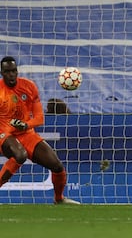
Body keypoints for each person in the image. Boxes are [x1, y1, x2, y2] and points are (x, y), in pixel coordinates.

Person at [0, 56, 79, 204]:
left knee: (57, 166)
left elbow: (39, 118)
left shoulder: (29, 86)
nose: (11, 74)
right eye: (7, 71)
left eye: (13, 71)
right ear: (2, 73)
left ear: (17, 71)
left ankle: (59, 199)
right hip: (5, 133)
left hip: (27, 133)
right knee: (20, 155)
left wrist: (25, 125)